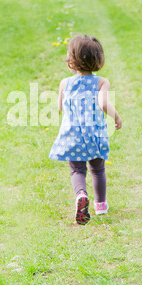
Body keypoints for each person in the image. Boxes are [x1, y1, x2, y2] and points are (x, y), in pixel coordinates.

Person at [49, 34, 122, 225]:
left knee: (77, 171)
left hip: (72, 134)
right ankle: (100, 205)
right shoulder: (101, 82)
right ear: (98, 60)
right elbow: (104, 102)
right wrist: (116, 116)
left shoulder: (65, 83)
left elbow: (60, 106)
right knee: (98, 170)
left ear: (71, 61)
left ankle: (81, 195)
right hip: (95, 134)